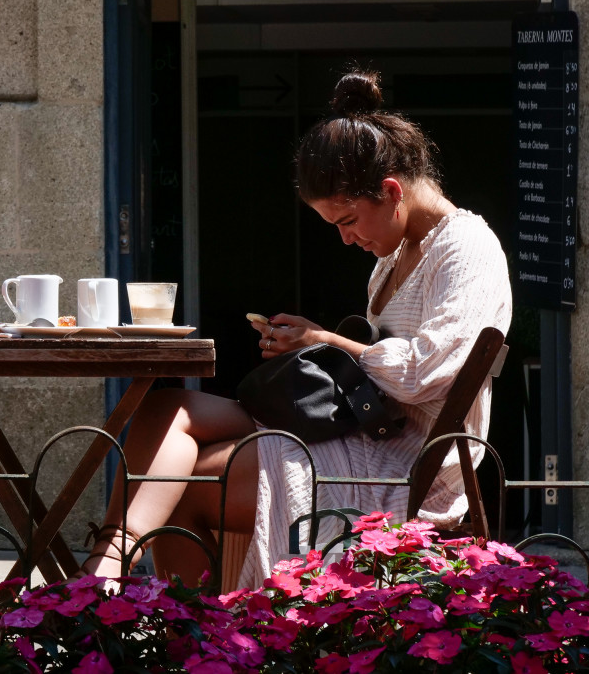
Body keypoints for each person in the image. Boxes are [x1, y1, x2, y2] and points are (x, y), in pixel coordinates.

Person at [81, 68, 512, 589]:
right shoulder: (395, 257)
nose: (346, 238)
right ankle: (109, 562)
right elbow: (379, 368)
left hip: (405, 465)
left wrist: (324, 341)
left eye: (347, 220)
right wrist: (315, 345)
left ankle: (177, 628)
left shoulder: (467, 248)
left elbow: (429, 373)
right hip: (359, 430)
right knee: (167, 406)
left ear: (392, 191)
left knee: (186, 486)